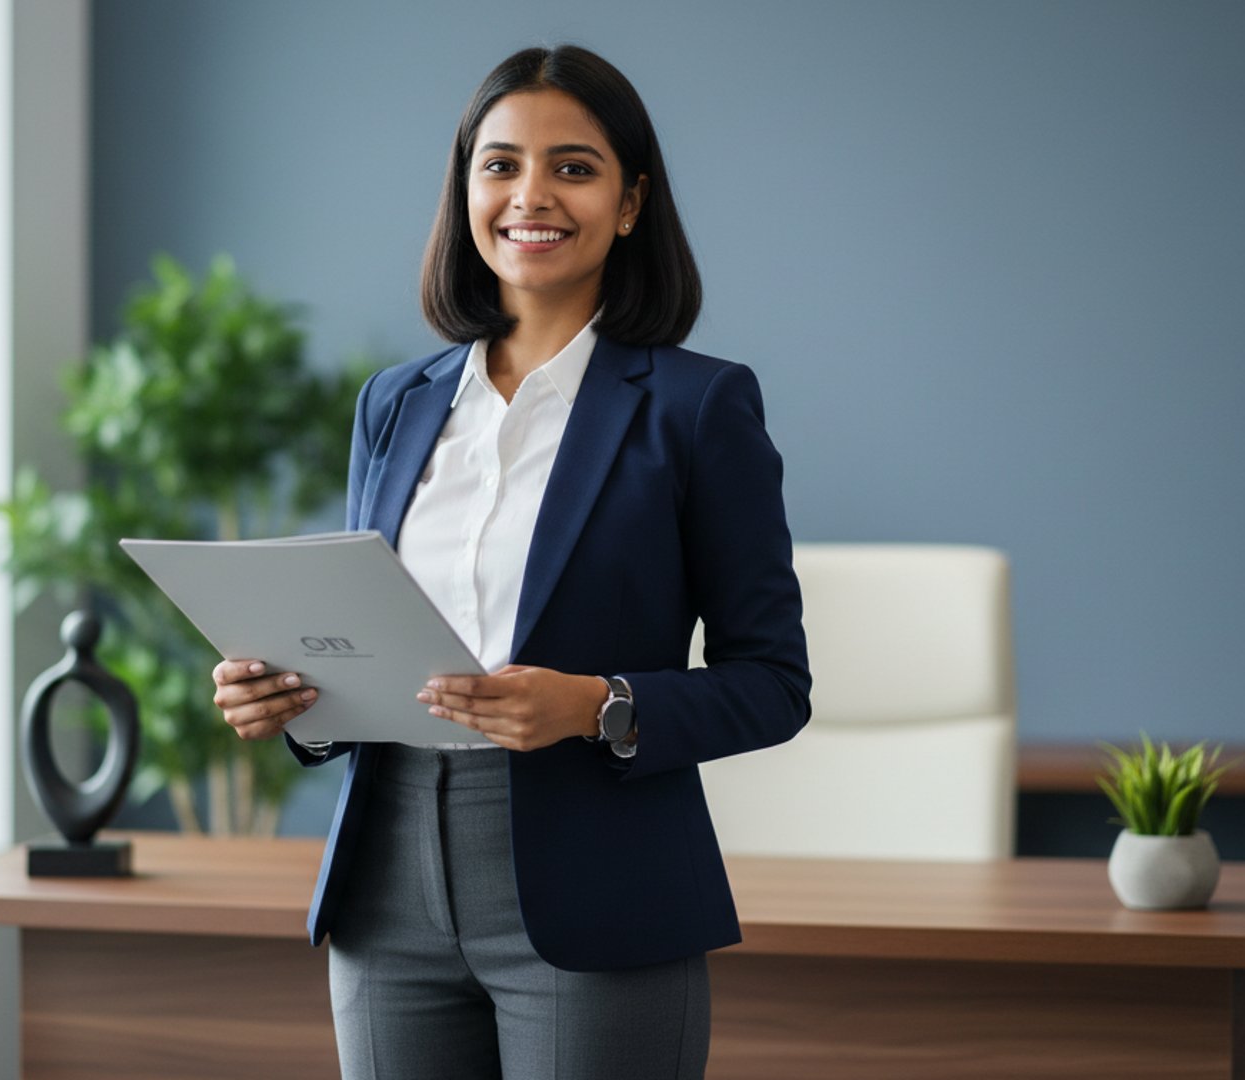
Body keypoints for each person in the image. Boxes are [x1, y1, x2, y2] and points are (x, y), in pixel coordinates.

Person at [210, 42, 810, 1080]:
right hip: (385, 881)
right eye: (500, 165)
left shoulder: (698, 406)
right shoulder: (395, 403)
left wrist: (595, 705)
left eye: (573, 167)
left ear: (630, 203)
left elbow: (774, 684)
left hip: (599, 890)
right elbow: (371, 646)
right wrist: (294, 703)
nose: (531, 195)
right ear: (466, 190)